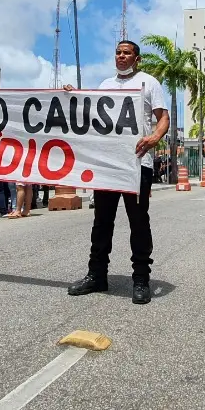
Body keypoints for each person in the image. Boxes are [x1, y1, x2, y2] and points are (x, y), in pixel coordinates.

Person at [66, 40, 170, 305]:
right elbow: (92, 112)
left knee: (138, 221)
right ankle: (97, 275)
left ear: (137, 58)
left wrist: (154, 138)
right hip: (107, 166)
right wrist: (73, 96)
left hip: (137, 164)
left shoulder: (149, 83)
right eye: (118, 52)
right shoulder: (105, 85)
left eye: (127, 53)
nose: (121, 56)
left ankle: (141, 279)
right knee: (102, 221)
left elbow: (163, 118)